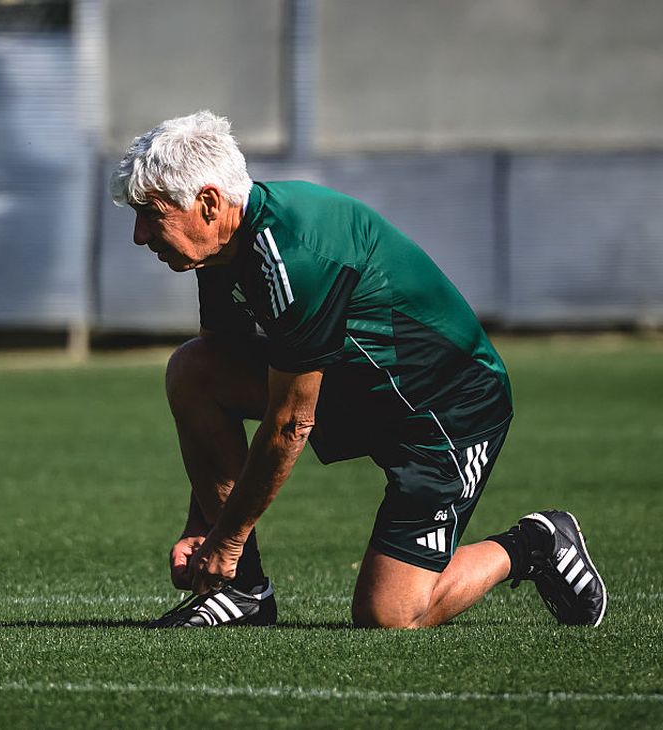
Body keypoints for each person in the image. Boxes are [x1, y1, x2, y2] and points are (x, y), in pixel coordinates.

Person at [109, 111, 607, 629]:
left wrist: (225, 540)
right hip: (351, 388)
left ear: (209, 204)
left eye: (152, 213)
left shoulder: (295, 254)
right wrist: (204, 528)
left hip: (442, 413)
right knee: (196, 370)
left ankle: (535, 543)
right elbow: (221, 379)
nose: (140, 235)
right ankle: (242, 593)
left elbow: (289, 423)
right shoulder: (222, 248)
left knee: (390, 614)